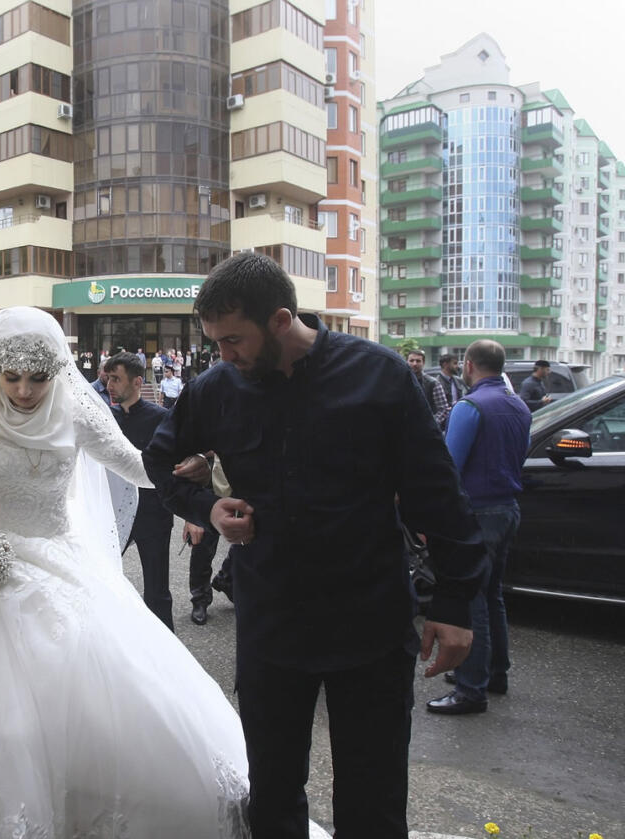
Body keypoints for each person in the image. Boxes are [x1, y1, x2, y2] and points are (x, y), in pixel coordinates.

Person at [0, 306, 250, 838]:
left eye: (39, 379)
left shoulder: (75, 411)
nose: (24, 391)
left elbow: (133, 464)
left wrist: (185, 466)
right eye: (13, 377)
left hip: (59, 561)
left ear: (58, 372)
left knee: (99, 701)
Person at [144, 252, 483, 839]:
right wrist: (208, 509)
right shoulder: (218, 387)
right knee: (272, 795)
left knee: (372, 800)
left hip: (370, 625)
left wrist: (455, 605)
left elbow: (437, 494)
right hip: (271, 624)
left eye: (233, 340)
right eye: (215, 342)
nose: (223, 354)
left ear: (280, 320)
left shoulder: (379, 375)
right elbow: (159, 460)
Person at [428, 340, 532, 716]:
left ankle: (471, 689)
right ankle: (495, 673)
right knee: (493, 596)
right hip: (508, 509)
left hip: (477, 513)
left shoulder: (470, 407)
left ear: (468, 365)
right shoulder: (518, 405)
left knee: (472, 601)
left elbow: (449, 468)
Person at [104, 351, 175, 629]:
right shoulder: (104, 418)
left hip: (153, 515)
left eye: (116, 379)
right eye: (108, 378)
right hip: (111, 515)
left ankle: (167, 657)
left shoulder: (161, 418)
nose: (109, 385)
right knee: (103, 580)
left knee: (157, 591)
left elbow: (178, 465)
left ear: (136, 382)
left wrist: (192, 517)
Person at [186, 456, 234, 626]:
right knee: (203, 546)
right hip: (212, 478)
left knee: (247, 541)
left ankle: (227, 578)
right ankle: (200, 598)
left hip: (246, 480)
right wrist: (189, 515)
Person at [407, 349, 450, 430]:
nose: (414, 364)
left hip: (427, 432)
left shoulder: (433, 383)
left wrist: (430, 424)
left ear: (423, 363)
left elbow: (443, 409)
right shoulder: (402, 381)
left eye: (418, 361)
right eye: (411, 360)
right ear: (407, 362)